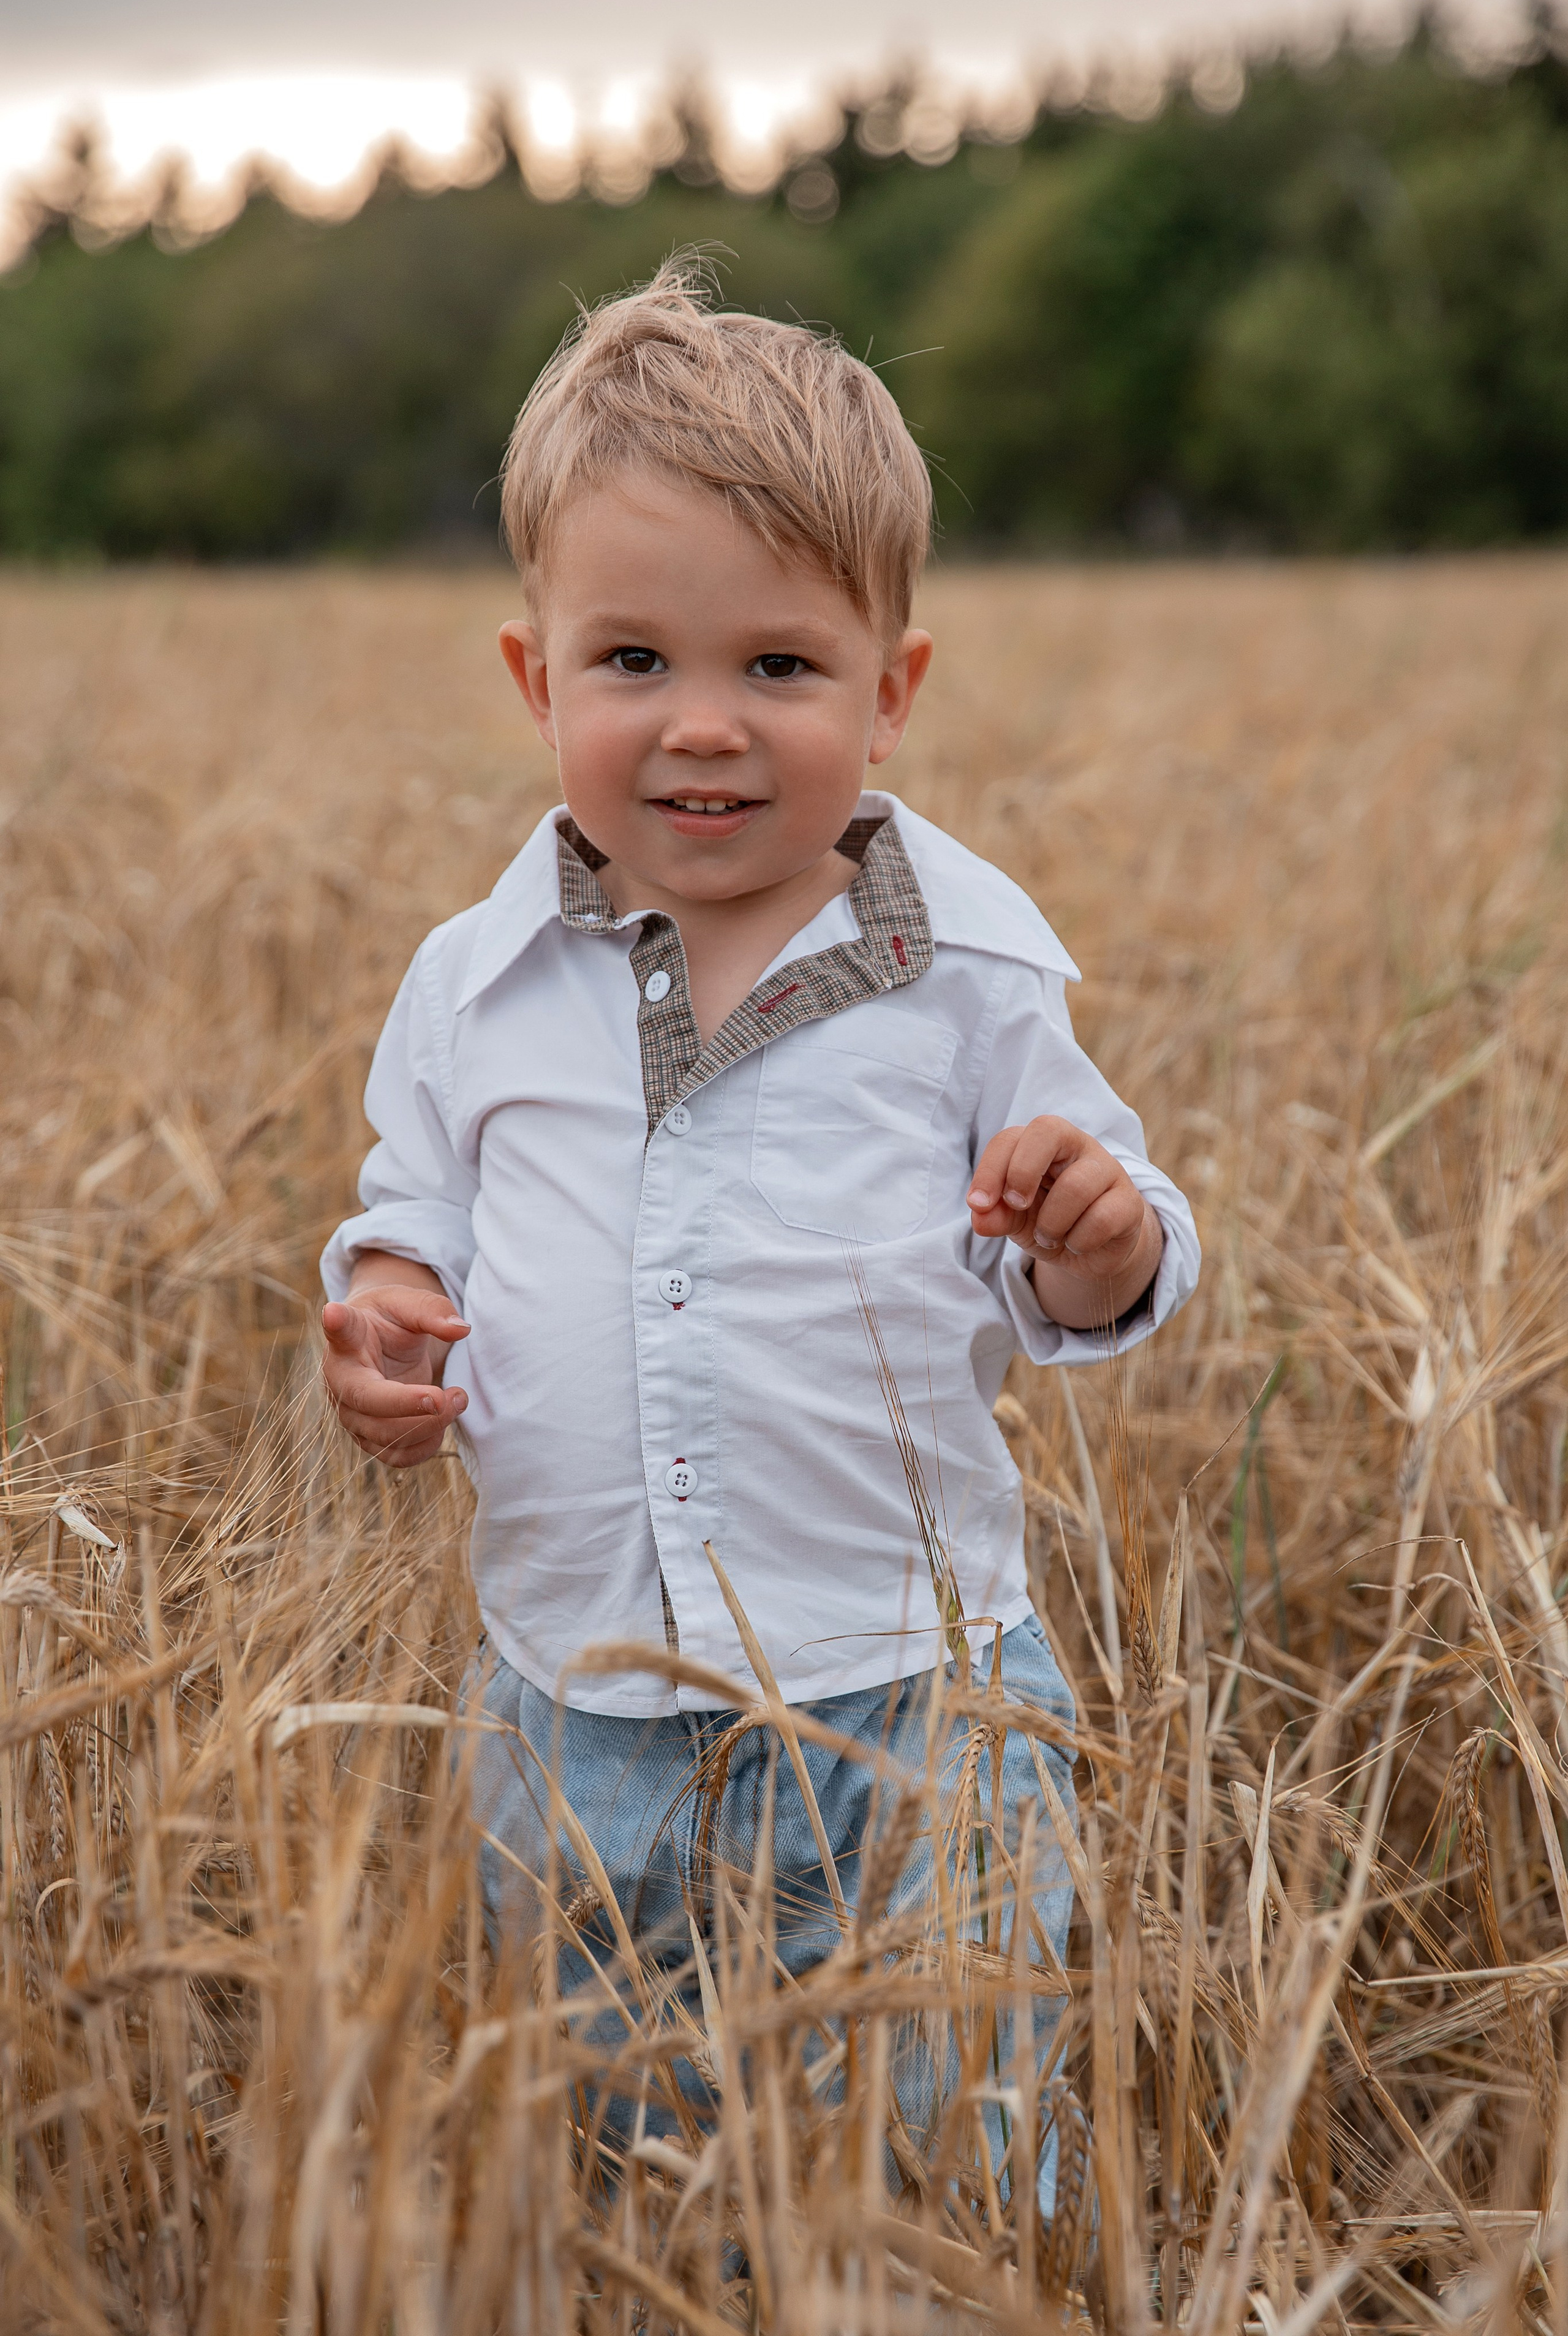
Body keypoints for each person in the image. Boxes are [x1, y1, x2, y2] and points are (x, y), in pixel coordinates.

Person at [318, 256, 1199, 2224]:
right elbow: (412, 1222)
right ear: (537, 681)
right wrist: (385, 1317)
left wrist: (1091, 1229)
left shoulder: (973, 977)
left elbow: (1104, 1272)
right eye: (633, 663)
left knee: (955, 2151)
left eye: (779, 669)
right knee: (617, 2153)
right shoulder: (474, 990)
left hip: (907, 1699)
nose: (702, 727)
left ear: (891, 695)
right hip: (576, 1704)